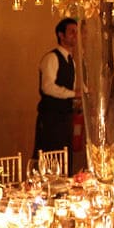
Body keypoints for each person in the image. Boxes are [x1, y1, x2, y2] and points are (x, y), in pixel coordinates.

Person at [34, 17, 78, 170]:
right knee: (50, 156)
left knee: (65, 157)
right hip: (51, 118)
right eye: (71, 32)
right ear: (61, 35)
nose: (75, 36)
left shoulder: (71, 61)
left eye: (76, 32)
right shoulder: (51, 58)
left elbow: (71, 89)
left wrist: (78, 101)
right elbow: (47, 87)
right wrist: (74, 94)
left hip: (66, 117)